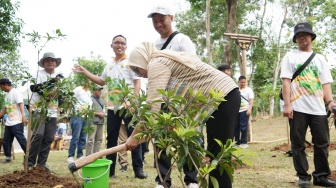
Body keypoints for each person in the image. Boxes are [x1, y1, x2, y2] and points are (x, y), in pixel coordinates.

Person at [125, 42, 240, 188]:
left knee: (219, 157)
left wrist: (134, 136)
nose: (139, 75)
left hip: (224, 96)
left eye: (136, 70)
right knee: (215, 156)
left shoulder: (156, 63)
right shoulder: (163, 60)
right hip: (225, 97)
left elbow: (151, 107)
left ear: (142, 60)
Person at [72, 35, 147, 179]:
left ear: (126, 46)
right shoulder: (109, 64)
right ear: (111, 45)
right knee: (111, 139)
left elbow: (137, 83)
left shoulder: (131, 62)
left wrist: (133, 102)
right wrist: (85, 72)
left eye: (123, 43)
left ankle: (138, 170)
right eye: (117, 43)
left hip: (129, 106)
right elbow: (101, 81)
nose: (120, 45)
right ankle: (110, 170)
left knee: (134, 137)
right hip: (113, 108)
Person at [280, 22, 336, 188]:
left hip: (318, 108)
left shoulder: (320, 59)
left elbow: (326, 83)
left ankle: (320, 176)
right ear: (296, 39)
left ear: (311, 36)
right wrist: (287, 105)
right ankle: (303, 177)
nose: (302, 37)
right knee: (298, 144)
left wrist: (331, 103)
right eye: (298, 35)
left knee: (322, 143)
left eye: (305, 34)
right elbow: (286, 82)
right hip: (297, 107)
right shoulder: (290, 57)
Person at [148, 3, 198, 188]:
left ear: (171, 18)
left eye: (162, 19)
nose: (159, 24)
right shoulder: (154, 46)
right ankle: (163, 180)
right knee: (161, 139)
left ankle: (191, 179)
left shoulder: (182, 40)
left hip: (182, 97)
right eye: (155, 21)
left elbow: (192, 65)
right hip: (162, 98)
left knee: (187, 137)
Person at [28, 52, 63, 173]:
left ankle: (41, 165)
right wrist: (52, 81)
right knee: (38, 135)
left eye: (52, 60)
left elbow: (61, 94)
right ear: (43, 63)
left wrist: (62, 106)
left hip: (52, 111)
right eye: (47, 60)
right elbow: (34, 88)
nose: (50, 62)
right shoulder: (38, 74)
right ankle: (29, 162)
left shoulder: (60, 77)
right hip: (39, 109)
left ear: (56, 63)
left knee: (48, 138)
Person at [0, 78, 27, 163]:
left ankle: (29, 156)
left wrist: (23, 116)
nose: (1, 88)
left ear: (5, 85)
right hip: (9, 122)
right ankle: (8, 158)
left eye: (1, 87)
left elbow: (21, 104)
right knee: (6, 141)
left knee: (21, 140)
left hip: (17, 122)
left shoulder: (16, 92)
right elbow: (6, 108)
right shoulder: (7, 95)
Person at [67, 83, 92, 163]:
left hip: (86, 117)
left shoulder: (89, 92)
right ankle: (70, 156)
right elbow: (70, 99)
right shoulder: (78, 89)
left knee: (83, 137)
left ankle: (80, 155)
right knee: (76, 137)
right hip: (77, 116)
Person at [234, 75, 254, 148]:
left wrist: (249, 109)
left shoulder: (249, 90)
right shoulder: (236, 90)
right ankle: (236, 142)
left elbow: (251, 100)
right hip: (236, 111)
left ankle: (244, 142)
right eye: (241, 82)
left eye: (244, 82)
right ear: (238, 82)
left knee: (243, 126)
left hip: (244, 110)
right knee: (236, 127)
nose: (242, 83)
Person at [86, 85, 105, 156]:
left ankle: (95, 156)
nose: (100, 92)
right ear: (94, 91)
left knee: (99, 140)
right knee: (90, 140)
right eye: (98, 90)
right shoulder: (89, 99)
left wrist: (103, 114)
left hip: (101, 122)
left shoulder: (102, 101)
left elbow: (103, 110)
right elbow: (87, 111)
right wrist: (98, 114)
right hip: (92, 122)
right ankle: (88, 156)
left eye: (100, 90)